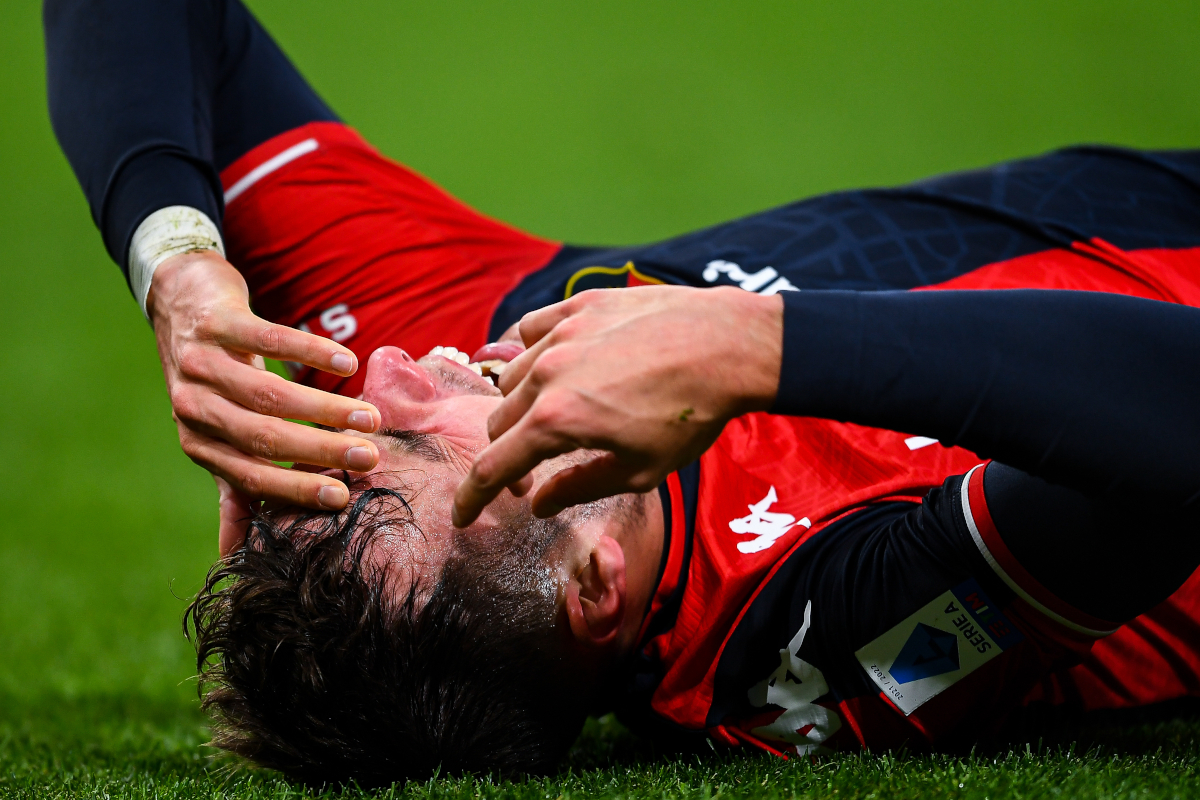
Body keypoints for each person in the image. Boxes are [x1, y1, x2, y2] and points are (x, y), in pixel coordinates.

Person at [47, 0, 1200, 787]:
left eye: (350, 414)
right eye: (410, 438)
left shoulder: (447, 338)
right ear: (593, 584)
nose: (390, 365)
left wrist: (177, 264)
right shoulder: (812, 639)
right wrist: (754, 347)